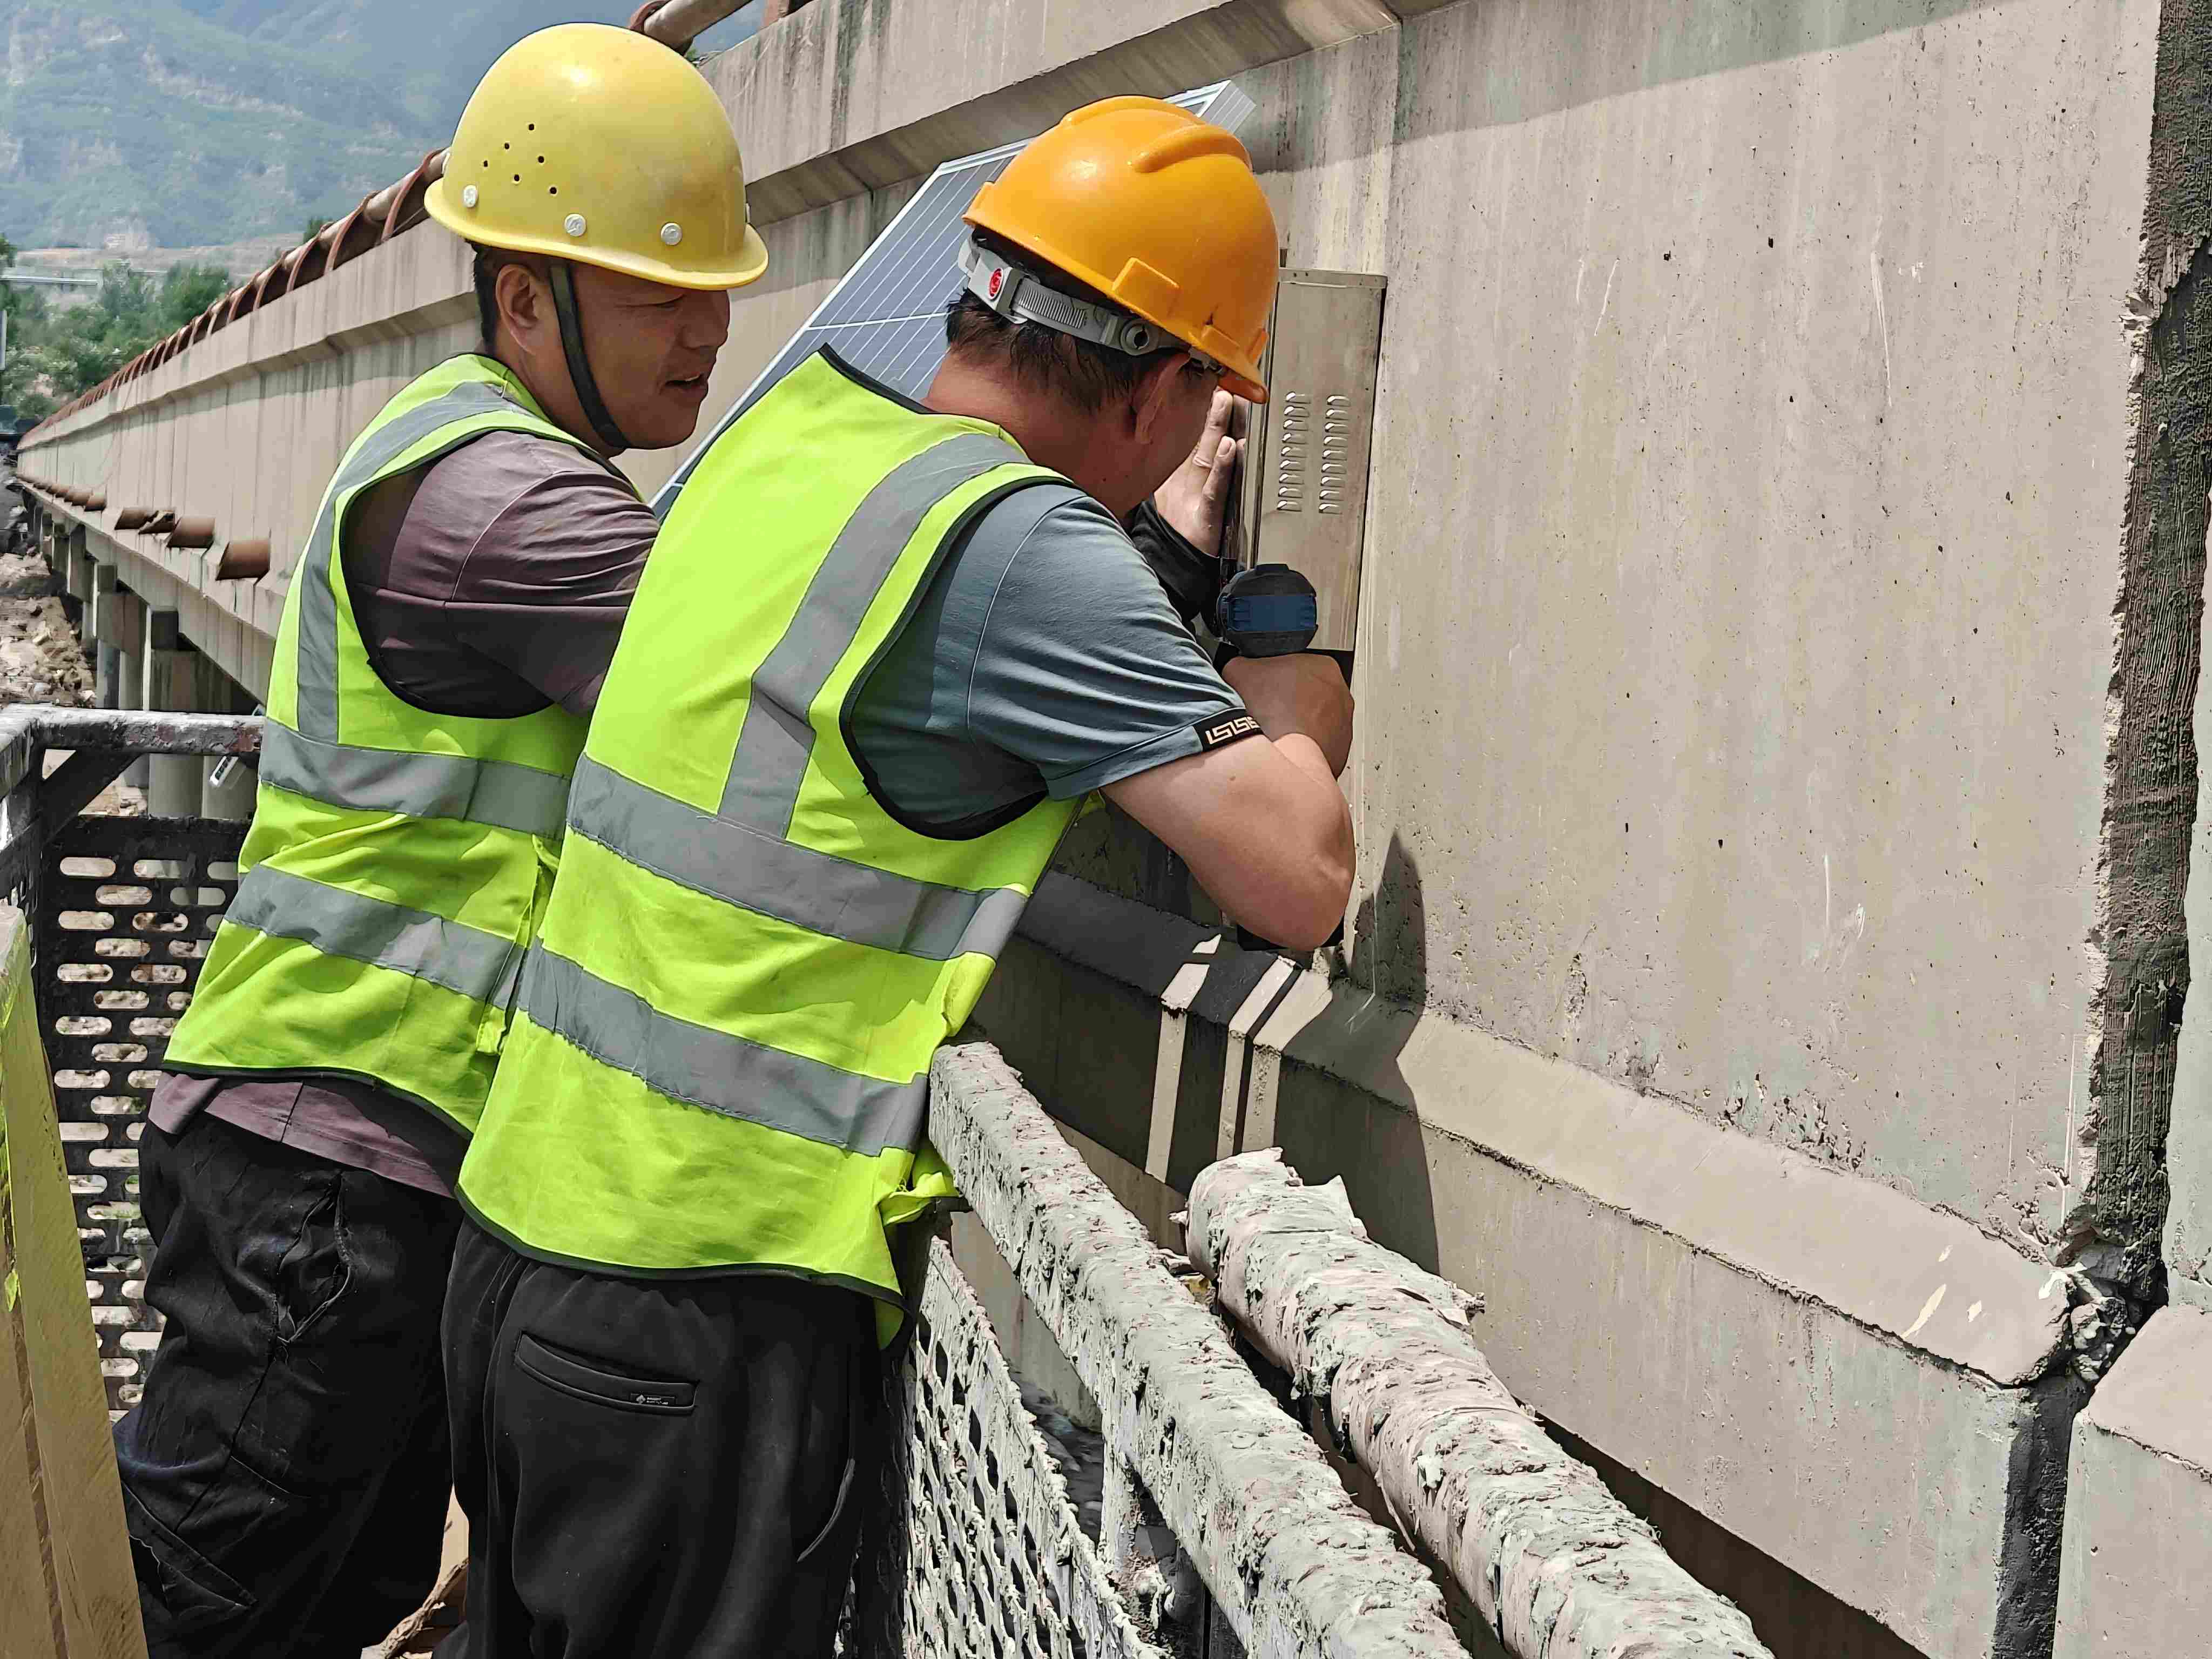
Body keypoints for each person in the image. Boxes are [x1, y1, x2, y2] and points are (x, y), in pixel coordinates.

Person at [443, 94, 1357, 1657]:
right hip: (708, 1315)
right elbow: (1299, 872)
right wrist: (1285, 662)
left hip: (524, 1256)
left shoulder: (792, 444)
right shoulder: (1025, 547)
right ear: (1160, 397)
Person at [113, 25, 771, 1655]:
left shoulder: (472, 451)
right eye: (655, 293)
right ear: (526, 294)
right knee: (193, 1622)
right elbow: (781, 718)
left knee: (287, 1610)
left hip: (343, 1171)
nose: (709, 331)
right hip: (329, 1181)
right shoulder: (511, 504)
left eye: (713, 288)